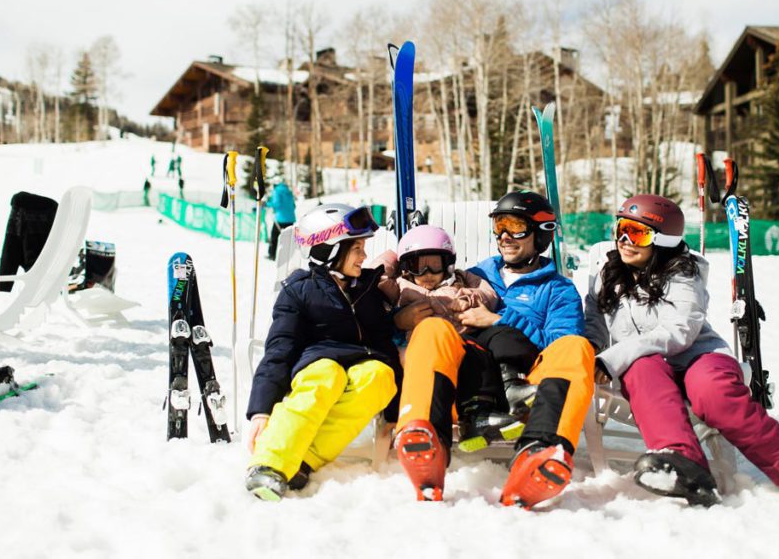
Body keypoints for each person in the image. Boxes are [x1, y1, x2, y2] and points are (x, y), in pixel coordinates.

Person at [585, 194, 779, 508]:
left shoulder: (684, 271)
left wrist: (615, 356)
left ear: (663, 240)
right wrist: (588, 351)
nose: (625, 240)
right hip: (646, 365)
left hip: (698, 356)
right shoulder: (608, 271)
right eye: (621, 229)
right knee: (641, 369)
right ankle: (683, 462)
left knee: (713, 393)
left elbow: (678, 331)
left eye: (637, 233)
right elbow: (594, 324)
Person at [393, 191, 595, 509]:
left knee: (576, 347)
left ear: (540, 233)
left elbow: (558, 348)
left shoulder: (558, 290)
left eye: (514, 226)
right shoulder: (475, 276)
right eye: (498, 225)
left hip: (529, 399)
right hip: (459, 393)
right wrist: (399, 319)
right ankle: (424, 437)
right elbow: (402, 278)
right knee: (432, 328)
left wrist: (501, 318)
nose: (504, 236)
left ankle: (540, 455)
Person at [244, 204, 402, 501]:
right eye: (357, 248)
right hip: (319, 360)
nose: (364, 256)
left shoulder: (368, 289)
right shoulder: (299, 291)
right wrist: (261, 409)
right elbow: (280, 348)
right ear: (330, 249)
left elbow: (384, 344)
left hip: (364, 360)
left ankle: (303, 462)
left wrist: (394, 414)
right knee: (324, 376)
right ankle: (269, 464)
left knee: (381, 376)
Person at [380, 225, 521, 452]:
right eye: (417, 266)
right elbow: (377, 277)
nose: (426, 273)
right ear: (405, 268)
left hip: (460, 346)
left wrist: (468, 297)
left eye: (435, 265)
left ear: (448, 264)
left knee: (479, 356)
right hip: (421, 351)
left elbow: (489, 294)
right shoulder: (401, 287)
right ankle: (421, 425)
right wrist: (393, 255)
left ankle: (478, 417)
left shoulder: (462, 281)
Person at [266, 179, 297, 261]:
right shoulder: (289, 191)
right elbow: (294, 205)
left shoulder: (277, 191)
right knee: (289, 238)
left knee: (274, 237)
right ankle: (289, 256)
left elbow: (276, 204)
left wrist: (267, 204)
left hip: (280, 219)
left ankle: (272, 254)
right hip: (290, 218)